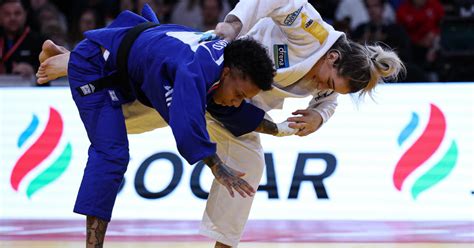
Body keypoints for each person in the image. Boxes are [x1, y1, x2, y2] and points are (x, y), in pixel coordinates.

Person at [37, 1, 405, 247]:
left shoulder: (335, 78)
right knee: (137, 107)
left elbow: (330, 96)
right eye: (329, 82)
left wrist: (320, 114)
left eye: (333, 90)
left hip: (240, 108)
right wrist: (232, 25)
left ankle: (222, 245)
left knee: (249, 165)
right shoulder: (314, 32)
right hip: (224, 74)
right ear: (334, 57)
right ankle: (74, 61)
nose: (325, 88)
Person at [0, 0, 43, 79]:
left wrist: (33, 70)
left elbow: (55, 69)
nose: (12, 18)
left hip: (27, 88)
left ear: (25, 14)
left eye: (17, 13)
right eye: (7, 14)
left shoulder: (40, 42)